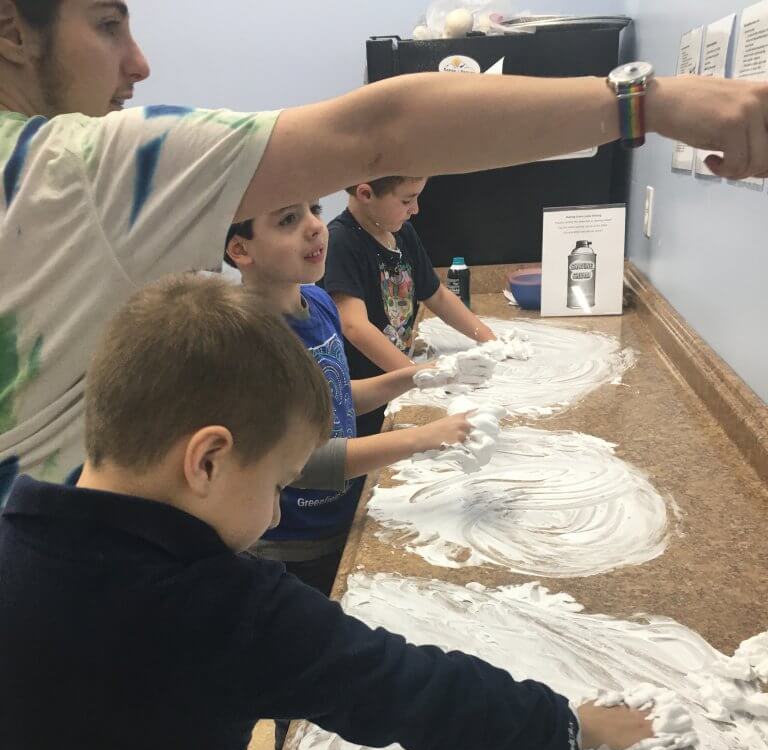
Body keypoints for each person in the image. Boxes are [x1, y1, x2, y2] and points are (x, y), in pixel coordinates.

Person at [0, 274, 656, 750]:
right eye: (278, 482)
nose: (279, 506)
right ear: (207, 461)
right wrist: (564, 726)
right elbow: (406, 687)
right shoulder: (232, 606)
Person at [2, 0, 768, 501]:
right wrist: (650, 101)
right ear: (11, 29)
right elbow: (382, 130)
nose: (138, 63)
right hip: (80, 616)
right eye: (107, 24)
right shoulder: (62, 170)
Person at [225, 199, 477, 750]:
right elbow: (300, 461)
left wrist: (417, 379)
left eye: (313, 210)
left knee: (341, 667)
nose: (317, 226)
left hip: (340, 519)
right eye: (286, 219)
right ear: (239, 250)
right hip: (288, 544)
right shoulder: (246, 340)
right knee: (305, 685)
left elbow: (340, 398)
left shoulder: (316, 301)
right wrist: (420, 438)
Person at [325, 176, 496, 436]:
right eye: (407, 200)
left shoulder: (400, 231)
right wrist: (416, 375)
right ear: (365, 194)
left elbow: (437, 295)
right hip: (366, 397)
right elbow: (354, 326)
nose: (415, 209)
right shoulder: (340, 243)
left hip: (400, 379)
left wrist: (488, 339)